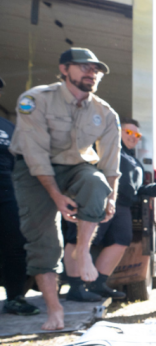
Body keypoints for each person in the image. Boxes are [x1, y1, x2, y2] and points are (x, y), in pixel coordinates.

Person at [9, 48, 121, 330]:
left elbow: (110, 164)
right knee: (43, 240)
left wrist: (111, 199)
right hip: (33, 169)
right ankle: (54, 309)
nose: (91, 73)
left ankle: (82, 251)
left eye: (95, 69)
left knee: (97, 184)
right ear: (64, 69)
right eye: (83, 67)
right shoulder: (35, 100)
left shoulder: (105, 113)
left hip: (75, 167)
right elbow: (35, 155)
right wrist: (57, 197)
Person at [60, 119, 156, 300]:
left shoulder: (134, 161)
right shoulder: (103, 148)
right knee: (79, 239)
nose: (134, 137)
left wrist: (154, 189)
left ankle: (98, 284)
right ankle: (75, 287)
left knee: (121, 241)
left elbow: (138, 188)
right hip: (98, 198)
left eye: (137, 135)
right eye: (129, 133)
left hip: (123, 205)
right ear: (118, 131)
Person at [0, 77, 40, 316]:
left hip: (8, 192)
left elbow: (23, 161)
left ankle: (15, 297)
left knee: (15, 245)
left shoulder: (8, 127)